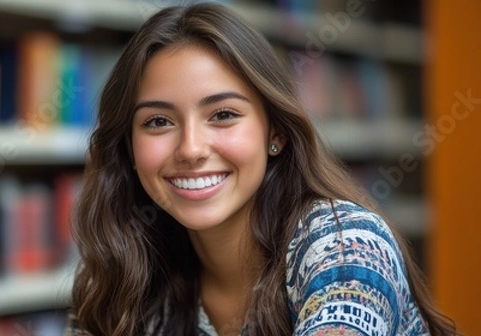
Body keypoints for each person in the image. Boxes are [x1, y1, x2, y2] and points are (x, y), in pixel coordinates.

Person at [68, 3, 456, 335]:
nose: (190, 149)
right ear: (128, 147)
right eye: (158, 122)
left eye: (223, 115)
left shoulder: (346, 245)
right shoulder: (123, 275)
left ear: (277, 132)